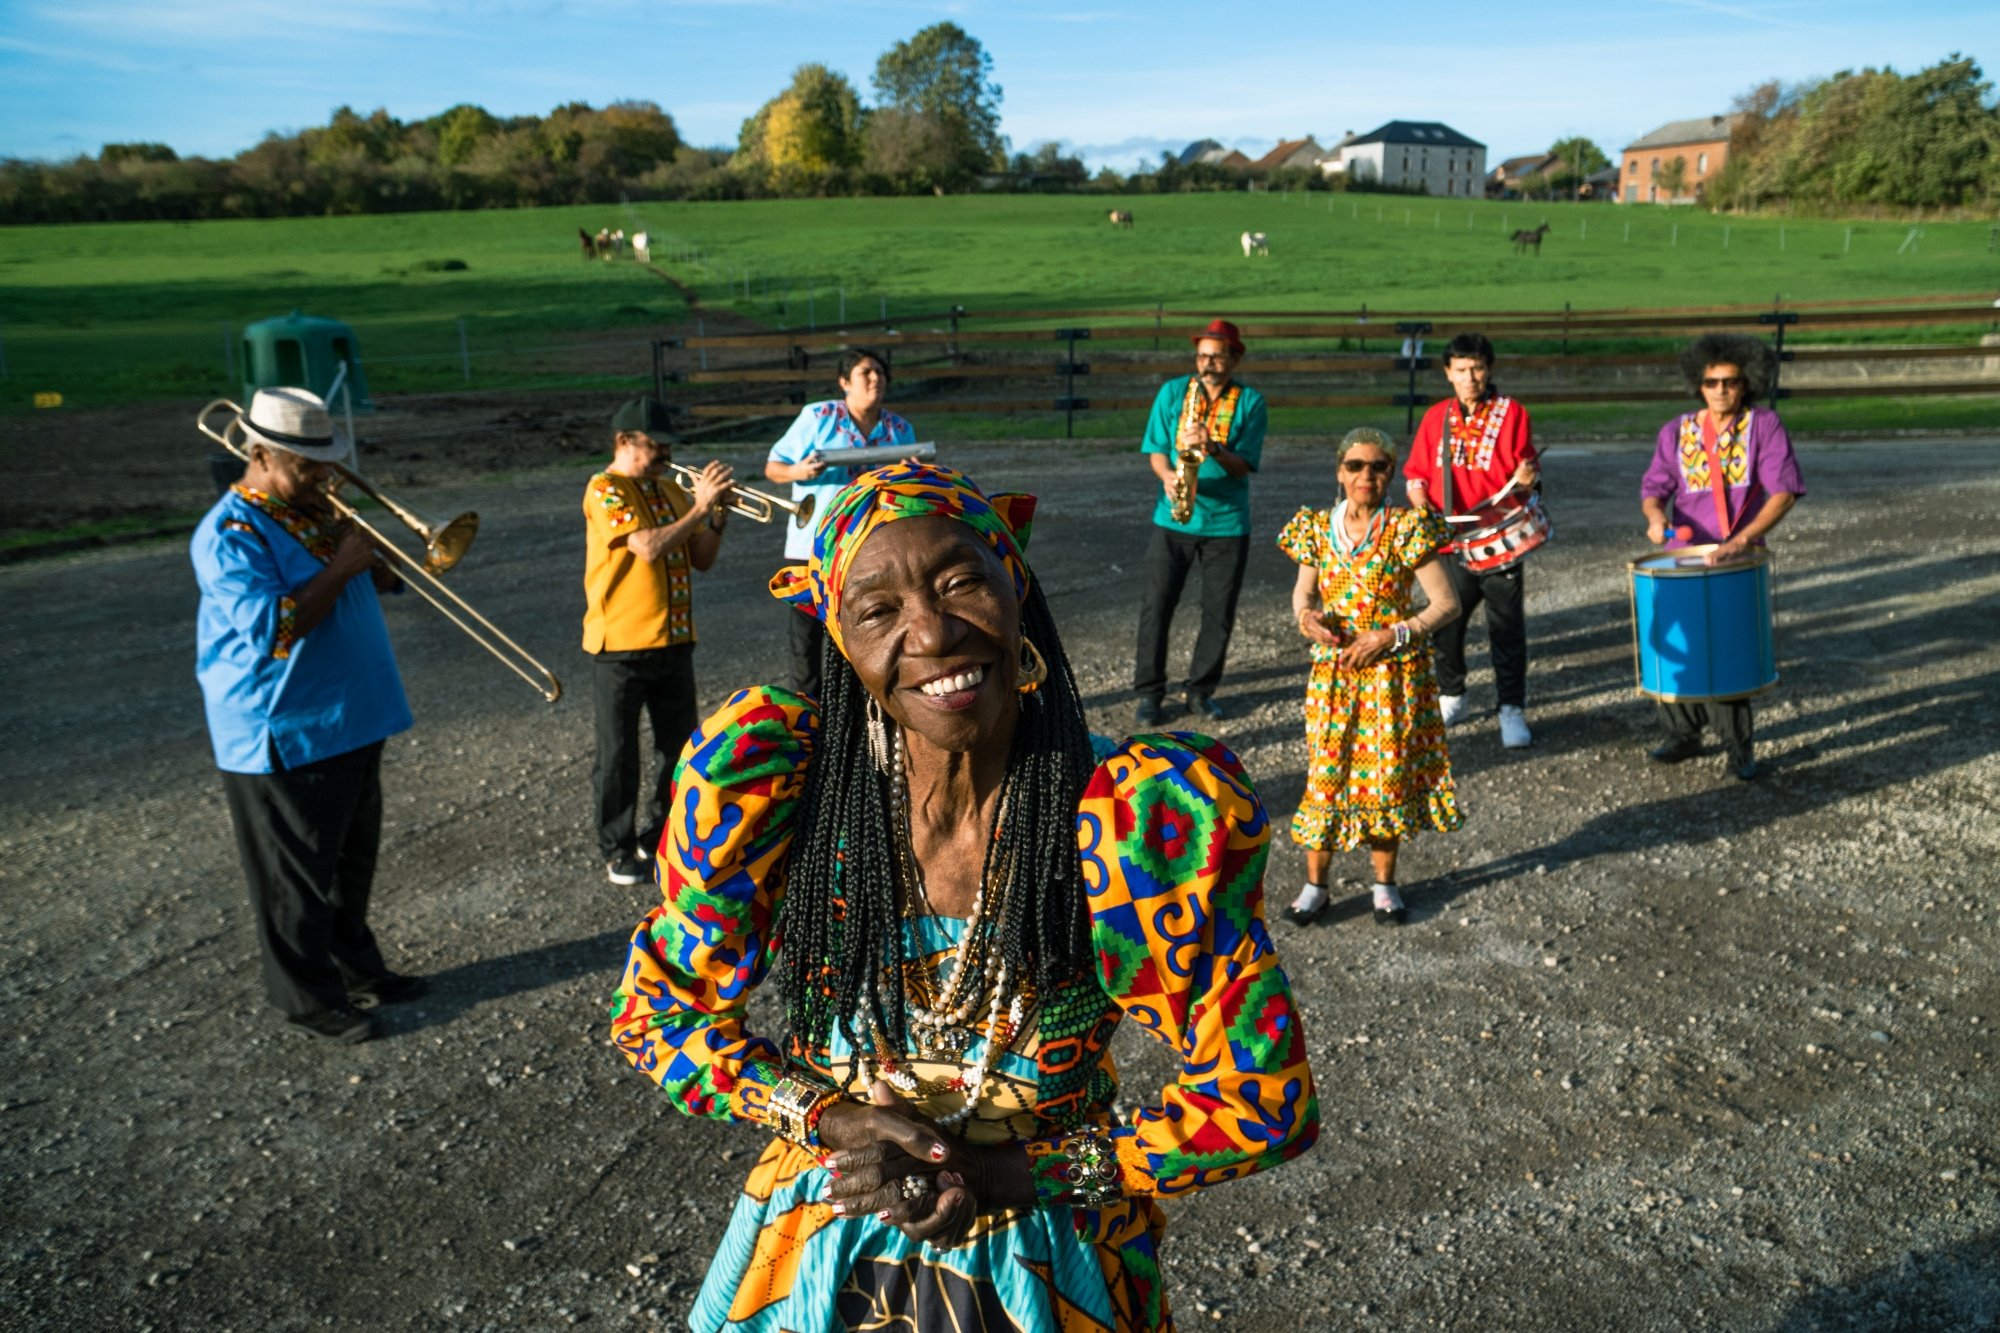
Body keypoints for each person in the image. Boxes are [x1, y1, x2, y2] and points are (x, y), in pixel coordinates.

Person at [611, 462, 1318, 1332]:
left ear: (1015, 584)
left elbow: (1264, 1100)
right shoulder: (779, 792)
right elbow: (656, 1013)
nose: (933, 631)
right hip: (817, 1255)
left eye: (959, 582)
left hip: (1049, 1267)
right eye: (877, 610)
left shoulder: (1129, 818)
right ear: (839, 639)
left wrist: (1015, 1175)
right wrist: (827, 1116)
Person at [190, 388, 423, 1044]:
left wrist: (373, 559)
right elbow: (274, 628)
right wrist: (346, 561)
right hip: (284, 727)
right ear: (260, 456)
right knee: (296, 872)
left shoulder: (309, 512)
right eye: (305, 465)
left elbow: (384, 580)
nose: (322, 476)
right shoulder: (230, 533)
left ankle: (356, 966)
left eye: (324, 463)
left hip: (351, 714)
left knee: (351, 859)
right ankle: (305, 995)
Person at [1279, 428, 1464, 927]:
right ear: (1340, 472)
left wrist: (1392, 635)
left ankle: (1385, 885)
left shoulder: (1407, 529)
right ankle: (1315, 887)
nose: (1367, 475)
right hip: (1335, 672)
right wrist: (1306, 619)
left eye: (1378, 467)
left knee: (1387, 777)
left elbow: (1447, 603)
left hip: (1392, 675)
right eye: (1356, 466)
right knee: (1325, 776)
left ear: (1391, 474)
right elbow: (1304, 596)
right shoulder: (1317, 529)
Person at [1640, 333, 1806, 782]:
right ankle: (1682, 735)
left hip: (1737, 559)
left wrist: (1743, 539)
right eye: (1711, 382)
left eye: (1730, 382)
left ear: (1746, 382)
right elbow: (1654, 489)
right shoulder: (1675, 431)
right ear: (1699, 383)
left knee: (1725, 653)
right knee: (1675, 650)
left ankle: (1738, 749)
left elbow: (1784, 493)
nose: (1720, 390)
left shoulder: (1765, 426)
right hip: (1685, 558)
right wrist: (1655, 518)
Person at [583, 396, 733, 885]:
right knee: (618, 754)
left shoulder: (669, 489)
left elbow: (702, 559)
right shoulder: (605, 489)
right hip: (621, 643)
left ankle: (663, 834)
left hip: (674, 639)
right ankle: (617, 848)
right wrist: (700, 507)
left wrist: (717, 518)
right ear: (625, 441)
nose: (665, 453)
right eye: (656, 444)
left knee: (678, 748)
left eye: (668, 445)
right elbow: (647, 547)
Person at [1402, 332, 1541, 749]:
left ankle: (1511, 708)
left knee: (1506, 627)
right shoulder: (1434, 418)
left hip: (1500, 538)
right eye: (1461, 369)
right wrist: (1419, 501)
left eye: (1477, 367)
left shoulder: (1513, 413)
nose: (1470, 376)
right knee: (1446, 622)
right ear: (1448, 373)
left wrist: (1528, 478)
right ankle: (1452, 693)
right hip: (1450, 541)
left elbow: (1526, 469)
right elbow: (1415, 476)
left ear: (1489, 369)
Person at [1132, 318, 1267, 726]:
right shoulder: (1173, 393)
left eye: (1217, 356)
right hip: (1172, 519)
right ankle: (1150, 694)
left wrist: (1214, 448)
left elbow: (1244, 467)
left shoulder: (1251, 402)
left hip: (1227, 524)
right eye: (1202, 355)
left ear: (1234, 359)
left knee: (1218, 612)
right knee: (1156, 607)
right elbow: (1156, 450)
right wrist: (1169, 477)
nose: (1208, 363)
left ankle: (1200, 690)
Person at [764, 348, 916, 699]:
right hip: (813, 546)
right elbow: (773, 467)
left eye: (881, 372)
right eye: (866, 373)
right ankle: (810, 715)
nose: (876, 379)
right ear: (844, 382)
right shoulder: (817, 418)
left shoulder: (899, 429)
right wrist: (799, 472)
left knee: (867, 628)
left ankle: (864, 712)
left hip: (872, 547)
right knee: (807, 639)